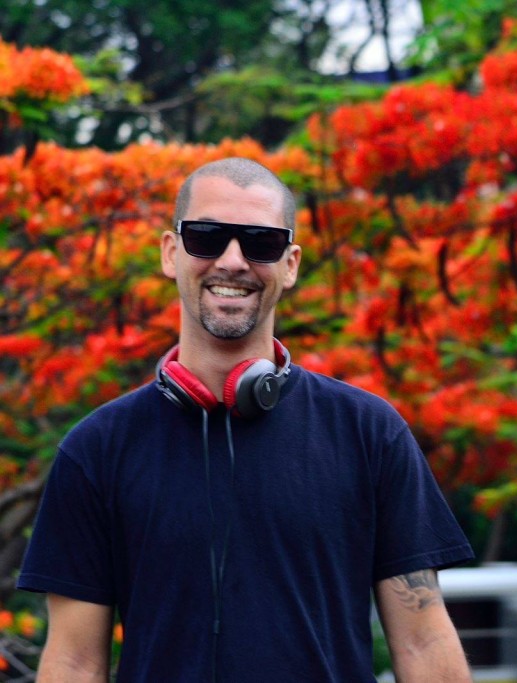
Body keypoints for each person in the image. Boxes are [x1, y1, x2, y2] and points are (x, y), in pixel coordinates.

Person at [17, 157, 475, 682]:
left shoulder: (370, 433)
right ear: (171, 253)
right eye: (207, 237)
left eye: (261, 242)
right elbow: (74, 663)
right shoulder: (96, 450)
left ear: (291, 264)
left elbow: (423, 642)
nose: (233, 261)